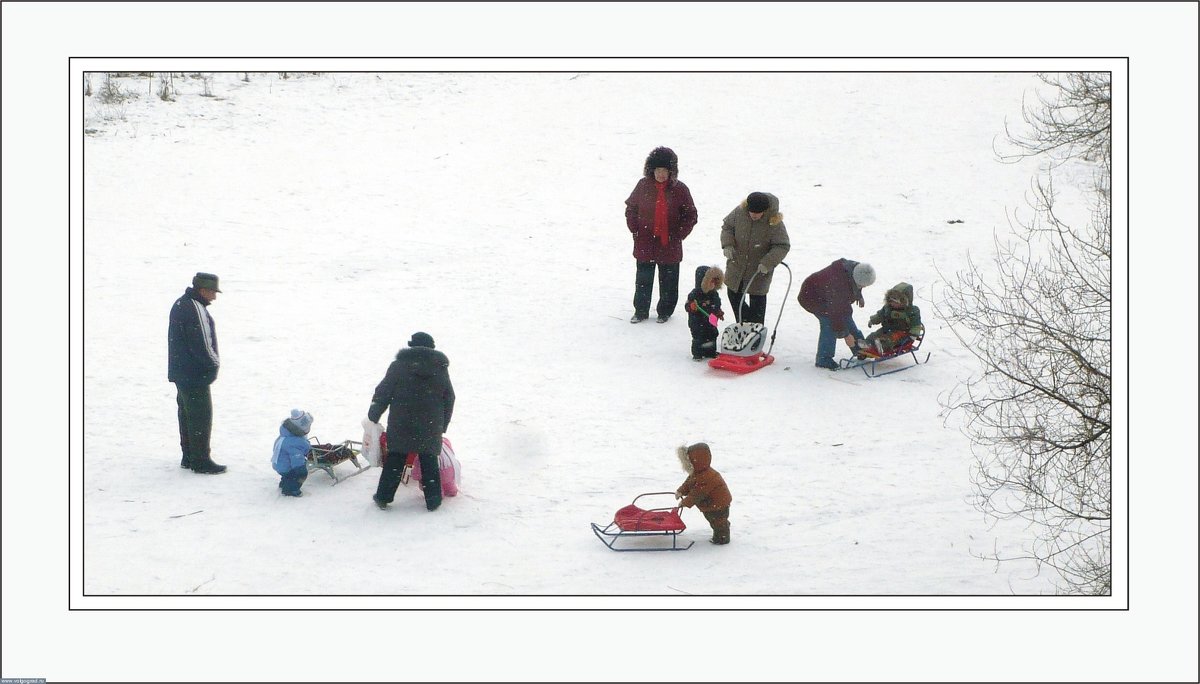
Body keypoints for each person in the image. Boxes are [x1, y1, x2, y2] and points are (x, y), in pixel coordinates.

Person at [367, 332, 456, 512]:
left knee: (396, 459)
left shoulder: (398, 366)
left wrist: (374, 414)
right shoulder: (439, 369)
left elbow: (383, 392)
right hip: (430, 425)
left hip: (402, 423)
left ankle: (383, 497)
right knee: (429, 460)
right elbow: (450, 398)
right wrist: (442, 425)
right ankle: (433, 500)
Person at [624, 146, 698, 324]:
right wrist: (635, 228)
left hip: (670, 244)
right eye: (658, 170)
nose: (661, 174)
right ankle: (640, 311)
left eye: (665, 170)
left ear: (671, 171)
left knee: (669, 281)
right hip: (645, 241)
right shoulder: (643, 186)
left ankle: (665, 311)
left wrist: (679, 234)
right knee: (643, 280)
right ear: (651, 170)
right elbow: (631, 208)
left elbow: (691, 215)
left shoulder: (680, 189)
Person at [167, 272, 227, 474]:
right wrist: (214, 364)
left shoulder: (180, 304)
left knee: (186, 415)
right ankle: (201, 460)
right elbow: (203, 342)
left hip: (181, 371)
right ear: (203, 290)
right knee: (201, 416)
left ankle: (189, 456)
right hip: (194, 373)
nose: (214, 297)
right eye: (212, 292)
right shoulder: (195, 309)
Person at [720, 192, 791, 324]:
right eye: (751, 212)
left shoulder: (774, 222)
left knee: (757, 301)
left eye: (757, 213)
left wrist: (767, 263)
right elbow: (727, 227)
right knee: (733, 294)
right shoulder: (739, 212)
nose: (753, 215)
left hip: (759, 271)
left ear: (765, 211)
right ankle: (743, 323)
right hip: (737, 264)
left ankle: (756, 331)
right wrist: (727, 244)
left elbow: (782, 246)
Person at [796, 258, 876, 370]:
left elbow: (856, 285)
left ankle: (860, 349)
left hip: (831, 297)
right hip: (812, 297)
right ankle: (823, 359)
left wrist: (858, 295)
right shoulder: (837, 284)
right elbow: (835, 314)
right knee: (829, 324)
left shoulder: (857, 269)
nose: (863, 288)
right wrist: (846, 334)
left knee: (847, 318)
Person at [674, 442, 733, 545]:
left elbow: (697, 493)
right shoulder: (698, 473)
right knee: (713, 519)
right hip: (711, 503)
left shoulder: (707, 477)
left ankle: (722, 539)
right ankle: (723, 526)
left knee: (717, 521)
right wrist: (681, 491)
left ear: (696, 461)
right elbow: (689, 483)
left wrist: (685, 502)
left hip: (718, 504)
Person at [860, 281, 925, 357]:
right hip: (887, 329)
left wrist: (914, 334)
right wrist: (873, 320)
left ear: (904, 302)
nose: (892, 304)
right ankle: (867, 345)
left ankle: (881, 347)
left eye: (896, 302)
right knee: (874, 335)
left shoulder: (912, 311)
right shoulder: (888, 308)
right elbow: (880, 315)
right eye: (891, 301)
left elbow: (916, 323)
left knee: (890, 339)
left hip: (903, 332)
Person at [684, 265, 725, 361]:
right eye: (711, 281)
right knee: (699, 337)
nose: (713, 284)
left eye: (715, 281)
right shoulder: (695, 294)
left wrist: (719, 312)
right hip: (697, 322)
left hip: (711, 321)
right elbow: (687, 305)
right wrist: (691, 307)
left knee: (712, 335)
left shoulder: (714, 294)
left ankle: (710, 352)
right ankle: (697, 354)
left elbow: (717, 304)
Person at [271, 409, 313, 497]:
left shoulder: (284, 436)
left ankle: (284, 483)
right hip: (286, 466)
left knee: (288, 475)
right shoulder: (295, 443)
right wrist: (301, 469)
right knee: (299, 475)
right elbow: (296, 458)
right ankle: (291, 490)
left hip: (278, 463)